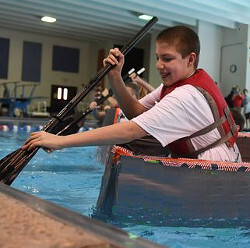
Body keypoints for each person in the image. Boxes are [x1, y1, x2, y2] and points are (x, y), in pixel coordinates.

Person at [22, 26, 241, 163]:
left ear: (190, 59)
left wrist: (61, 141)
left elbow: (129, 130)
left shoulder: (185, 96)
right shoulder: (180, 83)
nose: (158, 65)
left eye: (167, 58)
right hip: (210, 160)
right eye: (157, 57)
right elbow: (135, 112)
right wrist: (116, 77)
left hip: (216, 169)